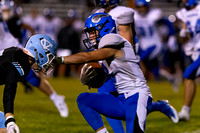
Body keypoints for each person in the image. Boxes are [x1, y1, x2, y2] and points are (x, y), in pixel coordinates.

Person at [54, 12, 178, 133]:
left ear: (104, 29)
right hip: (120, 99)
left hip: (137, 95)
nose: (90, 36)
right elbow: (102, 75)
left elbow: (88, 56)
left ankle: (159, 105)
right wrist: (92, 77)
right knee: (83, 99)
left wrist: (59, 60)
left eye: (92, 32)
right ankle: (160, 105)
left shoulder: (114, 40)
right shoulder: (104, 50)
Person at [0, 3, 69, 118]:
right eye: (4, 10)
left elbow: (25, 26)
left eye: (7, 10)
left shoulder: (13, 20)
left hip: (12, 50)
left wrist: (31, 40)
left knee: (32, 78)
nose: (6, 12)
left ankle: (56, 98)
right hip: (6, 50)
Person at [0, 34, 57, 133]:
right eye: (48, 57)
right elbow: (10, 90)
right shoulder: (18, 62)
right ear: (39, 53)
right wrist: (10, 119)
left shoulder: (20, 58)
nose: (47, 62)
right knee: (7, 128)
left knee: (6, 128)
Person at [176, 0, 200, 121]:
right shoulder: (184, 13)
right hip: (195, 51)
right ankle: (185, 111)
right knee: (189, 77)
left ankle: (186, 111)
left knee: (188, 74)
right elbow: (183, 39)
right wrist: (183, 33)